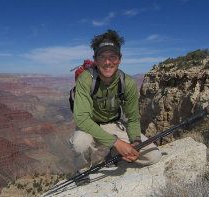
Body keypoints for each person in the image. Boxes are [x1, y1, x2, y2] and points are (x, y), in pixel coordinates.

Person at [69, 29, 162, 185]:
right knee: (79, 144)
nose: (107, 62)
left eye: (112, 57)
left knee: (154, 157)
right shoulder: (86, 80)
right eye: (102, 57)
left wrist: (136, 142)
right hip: (90, 126)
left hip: (114, 125)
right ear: (95, 59)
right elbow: (82, 119)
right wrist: (117, 143)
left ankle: (115, 157)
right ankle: (83, 171)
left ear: (119, 58)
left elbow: (132, 119)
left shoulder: (128, 83)